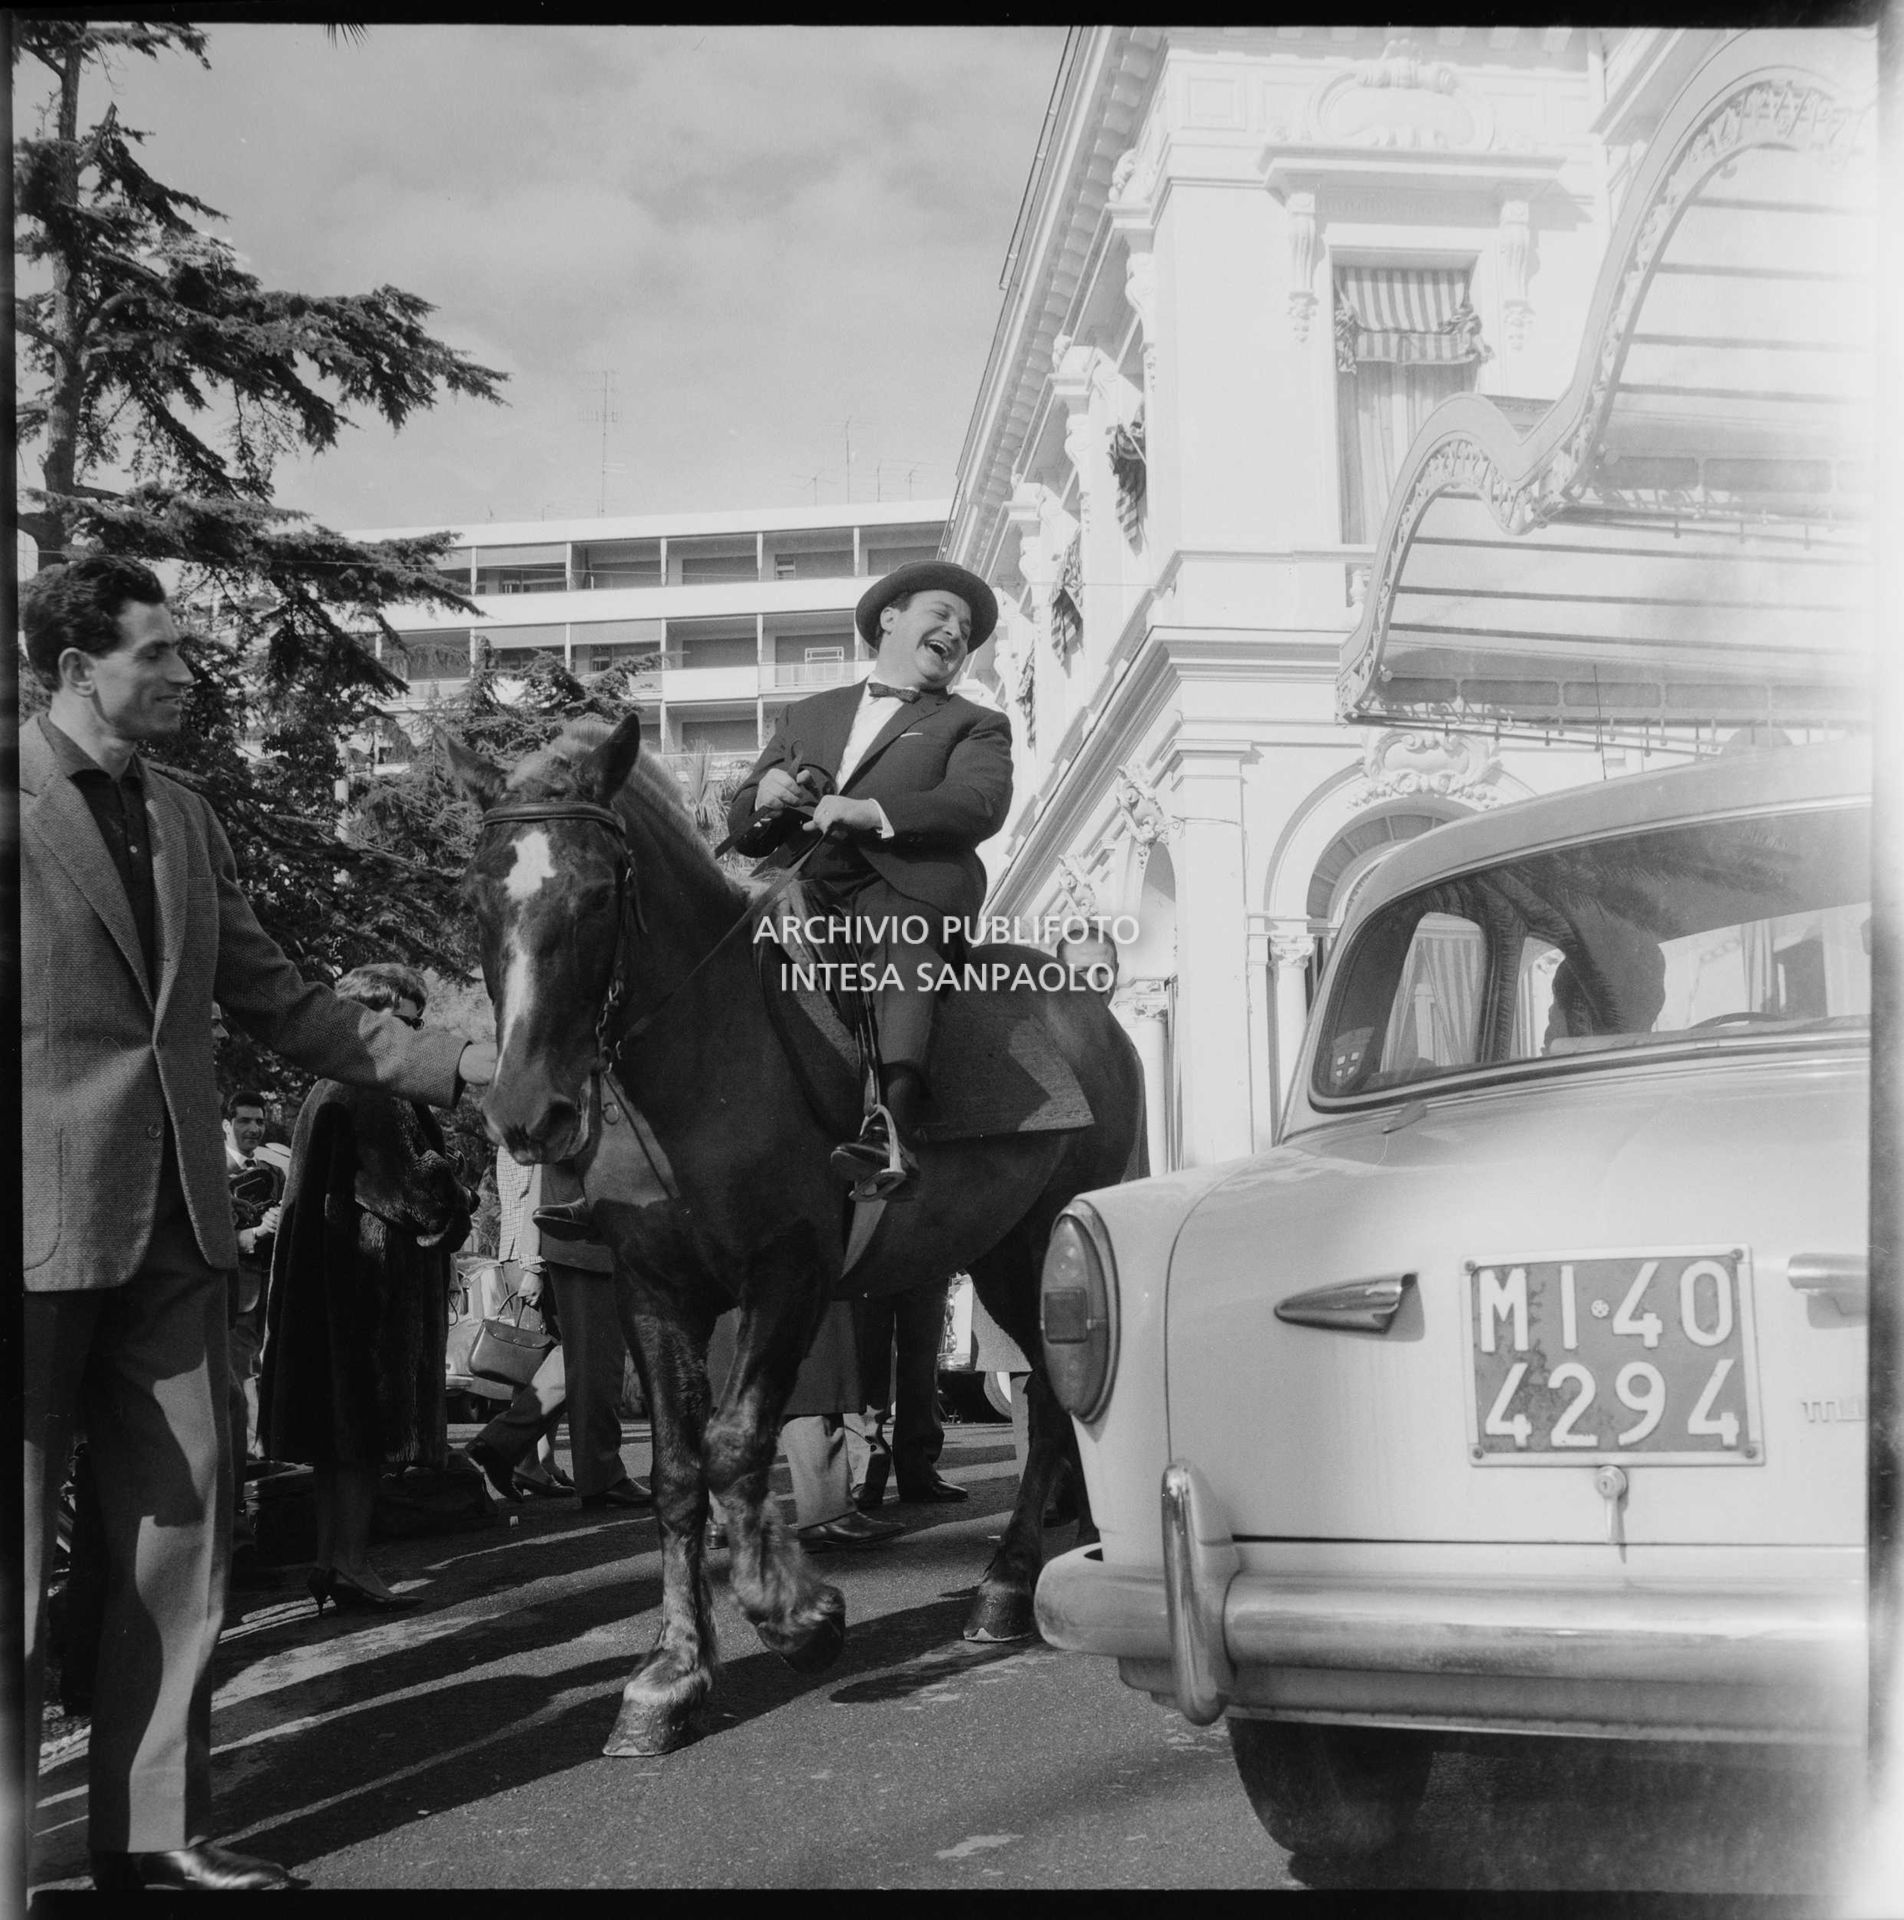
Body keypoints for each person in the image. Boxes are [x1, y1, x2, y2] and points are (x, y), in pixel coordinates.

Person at [20, 555, 495, 1894]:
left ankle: (153, 1836)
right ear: (74, 670)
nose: (187, 673)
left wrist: (467, 1063)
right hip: (31, 1227)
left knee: (184, 1530)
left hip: (176, 1231)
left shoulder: (186, 817)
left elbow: (293, 1005)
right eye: (159, 652)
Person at [725, 561, 1010, 1199]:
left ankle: (890, 1127)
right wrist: (764, 796)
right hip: (798, 880)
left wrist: (873, 812)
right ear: (890, 619)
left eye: (966, 629)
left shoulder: (975, 722)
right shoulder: (808, 714)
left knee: (901, 939)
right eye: (941, 615)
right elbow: (745, 822)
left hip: (904, 884)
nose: (956, 633)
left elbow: (979, 803)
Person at [259, 964, 477, 1620]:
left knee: (336, 1440)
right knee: (361, 1438)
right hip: (366, 1295)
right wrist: (456, 1197)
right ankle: (351, 1562)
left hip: (328, 1289)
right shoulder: (371, 1090)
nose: (416, 1035)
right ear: (373, 1021)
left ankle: (334, 1559)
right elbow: (415, 1194)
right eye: (406, 1021)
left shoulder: (326, 1088)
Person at [463, 1152, 651, 1510]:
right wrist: (531, 1261)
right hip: (583, 1243)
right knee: (597, 1361)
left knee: (581, 1356)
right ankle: (601, 1476)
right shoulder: (578, 1100)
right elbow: (537, 1177)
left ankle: (502, 1444)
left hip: (583, 1242)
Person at [223, 1087, 282, 1558]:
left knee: (259, 1373)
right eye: (244, 1121)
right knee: (237, 1381)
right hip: (230, 1291)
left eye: (259, 1121)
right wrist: (252, 1234)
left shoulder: (269, 1171)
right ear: (227, 1124)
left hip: (265, 1285)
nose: (253, 1129)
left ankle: (261, 1472)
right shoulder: (213, 1167)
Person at [851, 1280, 967, 1508]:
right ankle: (864, 1474)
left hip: (925, 1255)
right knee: (865, 1359)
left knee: (922, 1362)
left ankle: (917, 1470)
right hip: (872, 1255)